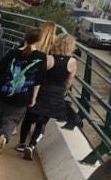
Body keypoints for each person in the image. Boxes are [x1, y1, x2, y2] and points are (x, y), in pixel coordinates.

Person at [0, 28, 49, 155]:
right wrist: (34, 97)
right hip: (22, 96)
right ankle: (3, 136)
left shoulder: (12, 53)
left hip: (2, 92)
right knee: (12, 119)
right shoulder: (41, 57)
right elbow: (38, 80)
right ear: (39, 41)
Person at [17, 33, 77, 161]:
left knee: (29, 117)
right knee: (42, 122)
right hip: (56, 94)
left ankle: (21, 143)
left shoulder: (48, 58)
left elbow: (38, 75)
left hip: (42, 91)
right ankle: (32, 146)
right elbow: (68, 82)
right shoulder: (72, 62)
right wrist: (64, 91)